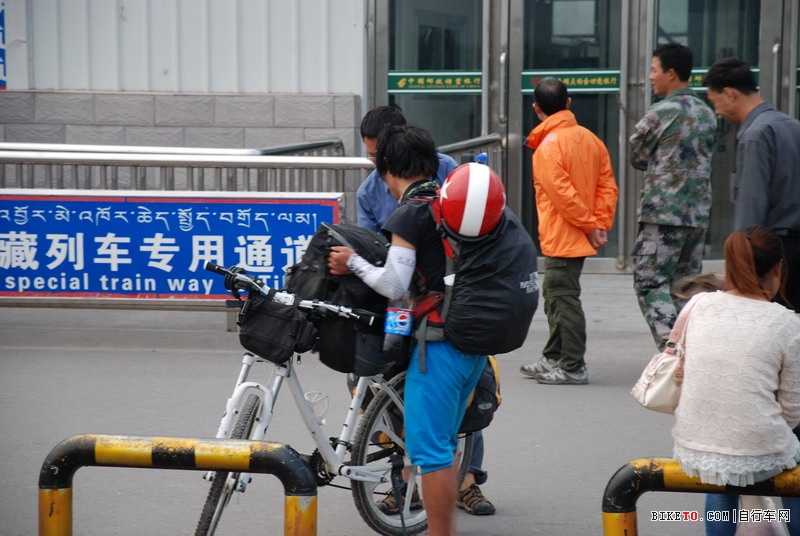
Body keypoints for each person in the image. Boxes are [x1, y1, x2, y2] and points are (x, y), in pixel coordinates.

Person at [328, 125, 489, 535]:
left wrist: (352, 263)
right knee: (445, 439)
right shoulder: (452, 201)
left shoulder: (411, 211)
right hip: (471, 331)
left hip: (436, 342)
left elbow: (394, 284)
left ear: (386, 165)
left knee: (432, 453)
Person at [671, 225, 800, 535]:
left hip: (694, 442)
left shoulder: (699, 305)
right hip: (756, 445)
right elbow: (792, 409)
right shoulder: (787, 323)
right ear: (779, 269)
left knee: (721, 477)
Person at [519, 77, 618, 385]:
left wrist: (591, 226)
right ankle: (554, 356)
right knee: (556, 296)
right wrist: (598, 224)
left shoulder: (547, 148)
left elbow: (563, 196)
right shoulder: (591, 139)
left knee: (563, 299)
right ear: (568, 103)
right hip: (577, 233)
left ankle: (573, 366)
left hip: (563, 235)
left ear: (536, 109)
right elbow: (607, 187)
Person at [629, 42, 718, 351]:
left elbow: (637, 156)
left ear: (670, 73)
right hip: (697, 215)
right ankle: (696, 351)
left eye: (654, 70)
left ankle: (673, 351)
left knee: (649, 281)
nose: (650, 77)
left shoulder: (660, 113)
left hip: (662, 215)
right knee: (687, 286)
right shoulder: (708, 113)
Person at [703, 57, 800, 313]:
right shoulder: (792, 125)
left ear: (729, 93)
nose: (717, 111)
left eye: (714, 102)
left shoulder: (756, 135)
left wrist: (736, 265)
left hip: (773, 253)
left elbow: (751, 205)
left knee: (771, 326)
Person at [356, 105, 458, 233]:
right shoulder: (367, 193)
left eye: (385, 155)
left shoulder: (447, 168)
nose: (383, 164)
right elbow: (370, 241)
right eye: (374, 156)